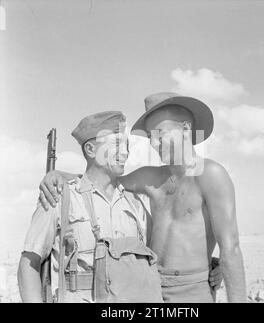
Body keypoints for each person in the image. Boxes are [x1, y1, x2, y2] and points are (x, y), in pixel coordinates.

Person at [40, 92, 242, 303]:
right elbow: (100, 179)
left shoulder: (211, 174)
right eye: (150, 136)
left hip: (192, 291)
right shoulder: (149, 176)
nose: (154, 143)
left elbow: (232, 248)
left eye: (159, 133)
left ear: (185, 128)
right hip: (148, 286)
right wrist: (60, 175)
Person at [18, 111, 163, 303]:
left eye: (127, 145)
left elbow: (154, 259)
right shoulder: (60, 197)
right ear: (91, 149)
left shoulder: (135, 203)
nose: (125, 152)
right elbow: (29, 264)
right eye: (117, 145)